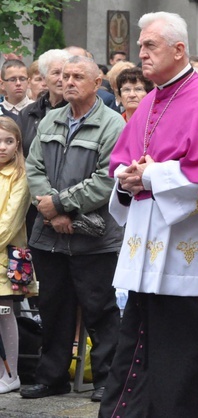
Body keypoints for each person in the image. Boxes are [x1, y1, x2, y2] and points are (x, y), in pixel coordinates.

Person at [99, 12, 198, 417]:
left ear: (178, 49)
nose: (142, 53)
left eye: (150, 46)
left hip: (184, 247)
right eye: (140, 46)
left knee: (182, 344)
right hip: (146, 244)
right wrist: (127, 177)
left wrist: (151, 174)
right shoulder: (151, 99)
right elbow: (119, 161)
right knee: (137, 337)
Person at [22, 56, 124, 402]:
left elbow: (107, 179)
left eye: (78, 76)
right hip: (50, 235)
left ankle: (108, 380)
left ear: (98, 83)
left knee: (100, 308)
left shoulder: (113, 125)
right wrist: (49, 209)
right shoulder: (50, 120)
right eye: (64, 76)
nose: (68, 82)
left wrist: (62, 205)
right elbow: (33, 168)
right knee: (53, 307)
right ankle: (52, 377)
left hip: (94, 237)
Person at [0, 117, 31, 394]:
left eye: (8, 141)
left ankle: (11, 374)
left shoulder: (20, 176)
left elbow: (10, 221)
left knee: (4, 312)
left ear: (17, 145)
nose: (2, 147)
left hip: (4, 258)